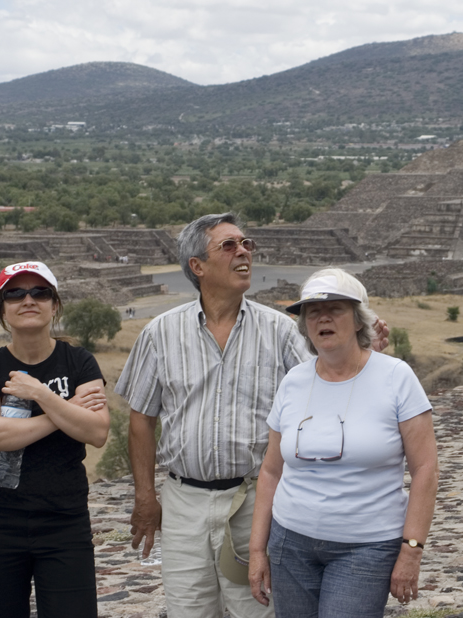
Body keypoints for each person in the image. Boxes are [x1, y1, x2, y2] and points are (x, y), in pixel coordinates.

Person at [116, 213, 333, 618]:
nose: (244, 252)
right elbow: (141, 418)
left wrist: (362, 344)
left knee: (258, 609)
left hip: (255, 500)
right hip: (184, 503)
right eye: (229, 245)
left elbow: (323, 393)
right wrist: (145, 496)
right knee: (188, 609)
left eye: (246, 243)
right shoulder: (160, 333)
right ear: (197, 266)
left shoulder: (280, 331)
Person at [248, 269, 438, 618]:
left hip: (365, 547)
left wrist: (411, 551)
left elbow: (425, 469)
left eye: (335, 308)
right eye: (312, 312)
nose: (322, 318)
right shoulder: (294, 381)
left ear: (358, 320)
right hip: (291, 543)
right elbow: (271, 471)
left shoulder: (396, 377)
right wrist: (258, 550)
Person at [0, 261, 110, 618]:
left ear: (54, 304)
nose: (28, 300)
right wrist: (64, 411)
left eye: (40, 292)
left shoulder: (79, 362)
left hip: (63, 520)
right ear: (3, 310)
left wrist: (41, 394)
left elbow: (96, 432)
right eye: (15, 293)